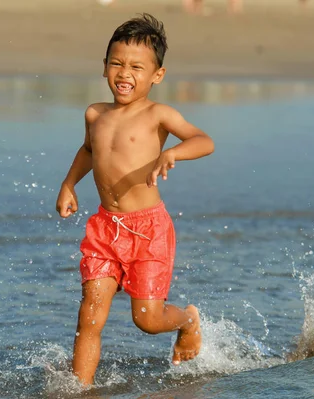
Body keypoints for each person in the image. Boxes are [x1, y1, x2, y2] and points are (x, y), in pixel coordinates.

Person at [55, 13, 214, 386]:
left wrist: (174, 153)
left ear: (157, 76)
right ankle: (80, 389)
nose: (124, 74)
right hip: (104, 228)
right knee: (89, 314)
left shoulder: (158, 114)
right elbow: (87, 150)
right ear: (105, 67)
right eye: (116, 64)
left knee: (147, 319)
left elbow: (203, 140)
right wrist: (68, 184)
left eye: (137, 68)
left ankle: (188, 320)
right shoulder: (95, 113)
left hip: (148, 230)